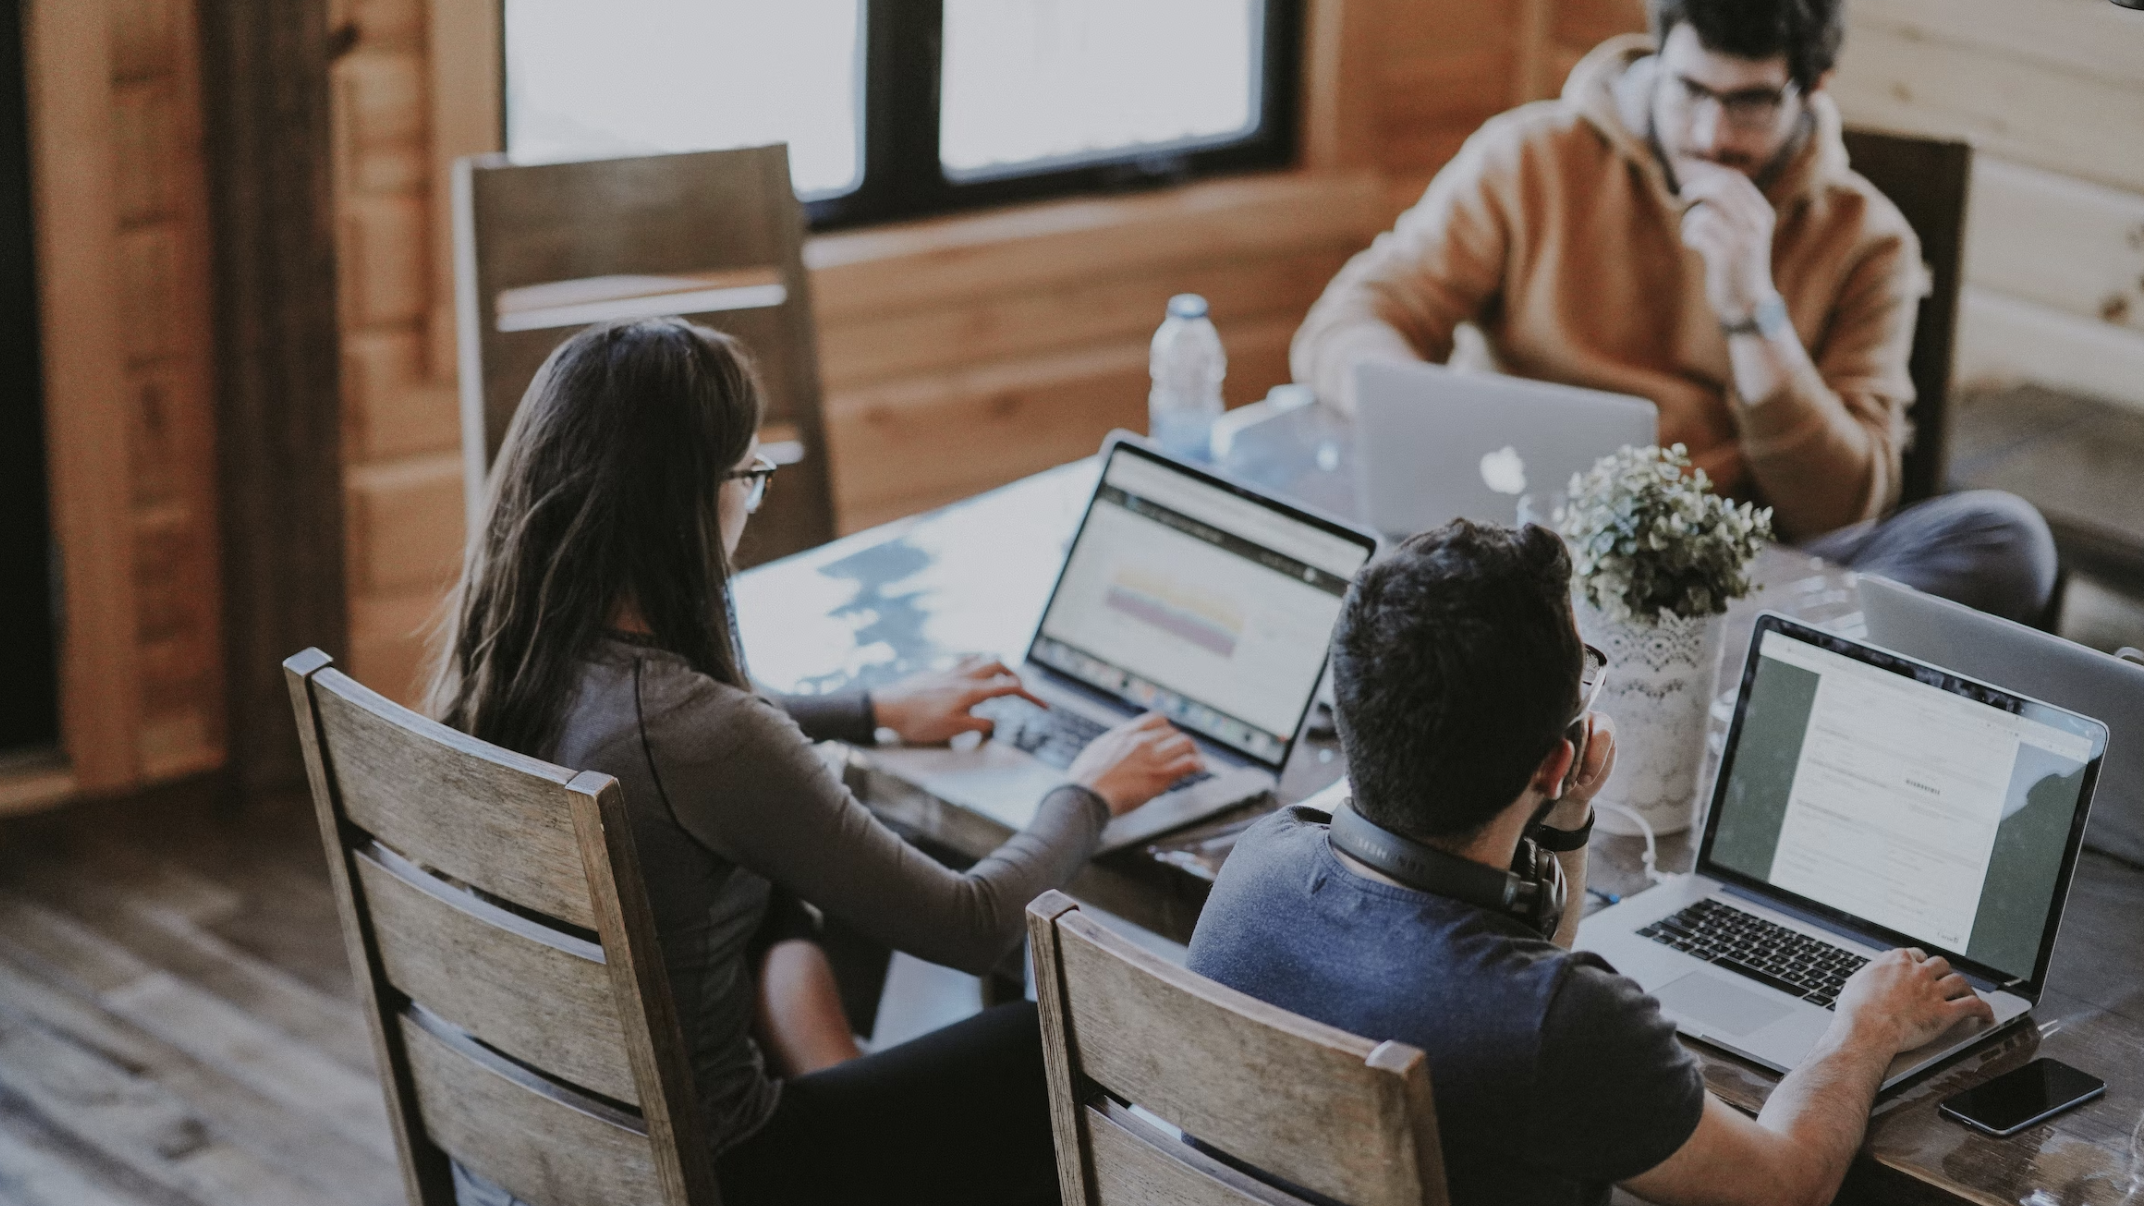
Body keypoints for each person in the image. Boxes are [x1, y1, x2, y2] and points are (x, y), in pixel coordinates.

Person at [426, 318, 1203, 1206]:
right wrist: (1089, 790)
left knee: (776, 899)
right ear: (684, 500)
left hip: (523, 1154)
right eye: (750, 476)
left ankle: (841, 1073)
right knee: (1035, 1046)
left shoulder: (508, 660)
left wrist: (871, 712)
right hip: (718, 1175)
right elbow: (971, 922)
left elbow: (697, 744)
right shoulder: (699, 734)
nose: (753, 500)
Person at [1186, 520, 1995, 1206]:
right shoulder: (1566, 1024)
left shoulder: (1255, 869)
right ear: (1551, 760)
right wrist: (1865, 1027)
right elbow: (1787, 1185)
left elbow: (1512, 980)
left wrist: (1565, 823)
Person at [1292, 0, 2057, 625]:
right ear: (1657, 58)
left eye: (1751, 103)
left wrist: (1754, 313)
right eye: (1690, 90)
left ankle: (1744, 683)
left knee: (2007, 540)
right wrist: (1416, 417)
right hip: (1521, 552)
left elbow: (1841, 507)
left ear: (1813, 85)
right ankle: (1734, 690)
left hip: (1730, 587)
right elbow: (1348, 322)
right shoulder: (1528, 158)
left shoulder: (1868, 240)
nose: (1711, 136)